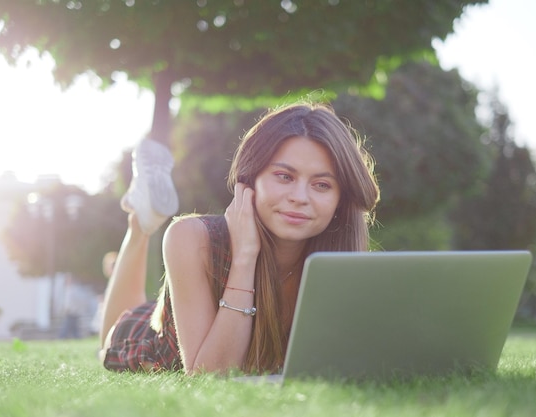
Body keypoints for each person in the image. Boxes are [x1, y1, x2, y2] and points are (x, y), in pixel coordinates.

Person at [98, 101, 380, 375]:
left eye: (321, 184)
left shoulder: (338, 253)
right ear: (249, 181)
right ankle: (139, 224)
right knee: (114, 332)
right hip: (158, 339)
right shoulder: (192, 238)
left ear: (340, 199)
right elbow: (211, 375)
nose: (300, 197)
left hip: (194, 304)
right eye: (284, 176)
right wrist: (245, 256)